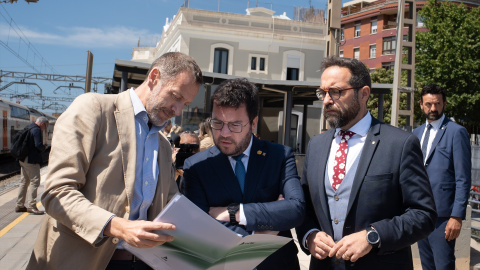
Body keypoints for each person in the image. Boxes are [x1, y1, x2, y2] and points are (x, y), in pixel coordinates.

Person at [26, 52, 203, 270]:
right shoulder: (93, 109)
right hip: (82, 260)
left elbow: (170, 204)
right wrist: (117, 227)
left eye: (185, 103)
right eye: (175, 96)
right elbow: (57, 192)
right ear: (154, 77)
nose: (177, 111)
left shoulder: (163, 145)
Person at [295, 57, 437, 270]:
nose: (326, 100)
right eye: (322, 93)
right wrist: (309, 235)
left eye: (336, 92)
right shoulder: (316, 145)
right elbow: (304, 207)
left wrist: (373, 236)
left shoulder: (399, 144)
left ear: (364, 94)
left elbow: (423, 215)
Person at [182, 78, 305, 270]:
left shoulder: (279, 156)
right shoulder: (196, 166)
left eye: (235, 125)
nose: (224, 133)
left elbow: (296, 210)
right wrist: (265, 232)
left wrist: (236, 213)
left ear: (253, 123)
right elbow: (199, 229)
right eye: (217, 123)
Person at [413, 84, 471, 270]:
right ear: (421, 104)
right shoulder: (416, 134)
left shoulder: (456, 132)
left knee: (443, 266)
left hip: (444, 217)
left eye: (437, 104)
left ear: (444, 104)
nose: (433, 109)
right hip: (421, 214)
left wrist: (457, 216)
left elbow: (463, 178)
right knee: (427, 266)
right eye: (429, 104)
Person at [15, 116, 49, 215]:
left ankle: (20, 205)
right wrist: (44, 148)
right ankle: (32, 206)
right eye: (45, 127)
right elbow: (38, 145)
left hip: (22, 158)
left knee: (24, 182)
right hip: (31, 160)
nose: (44, 129)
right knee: (35, 181)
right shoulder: (37, 130)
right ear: (42, 124)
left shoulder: (29, 127)